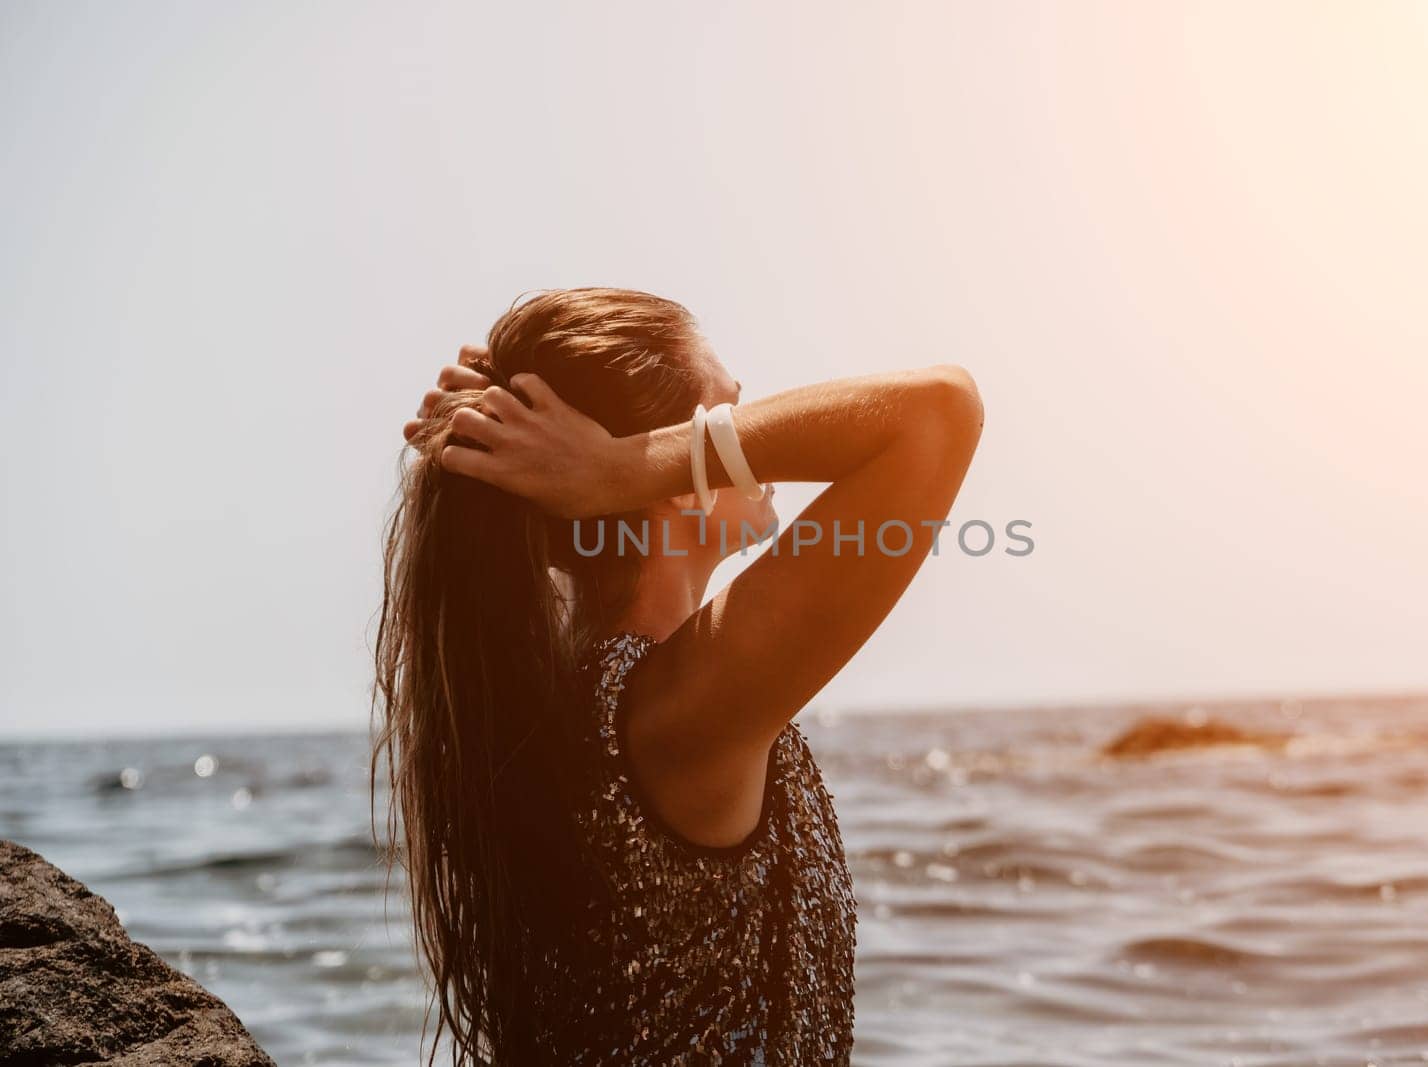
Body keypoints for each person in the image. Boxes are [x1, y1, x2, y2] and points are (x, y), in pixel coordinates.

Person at [372, 286, 983, 1065]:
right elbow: (940, 413)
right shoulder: (668, 707)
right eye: (725, 418)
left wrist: (630, 461)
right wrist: (633, 465)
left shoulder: (593, 698)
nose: (750, 444)